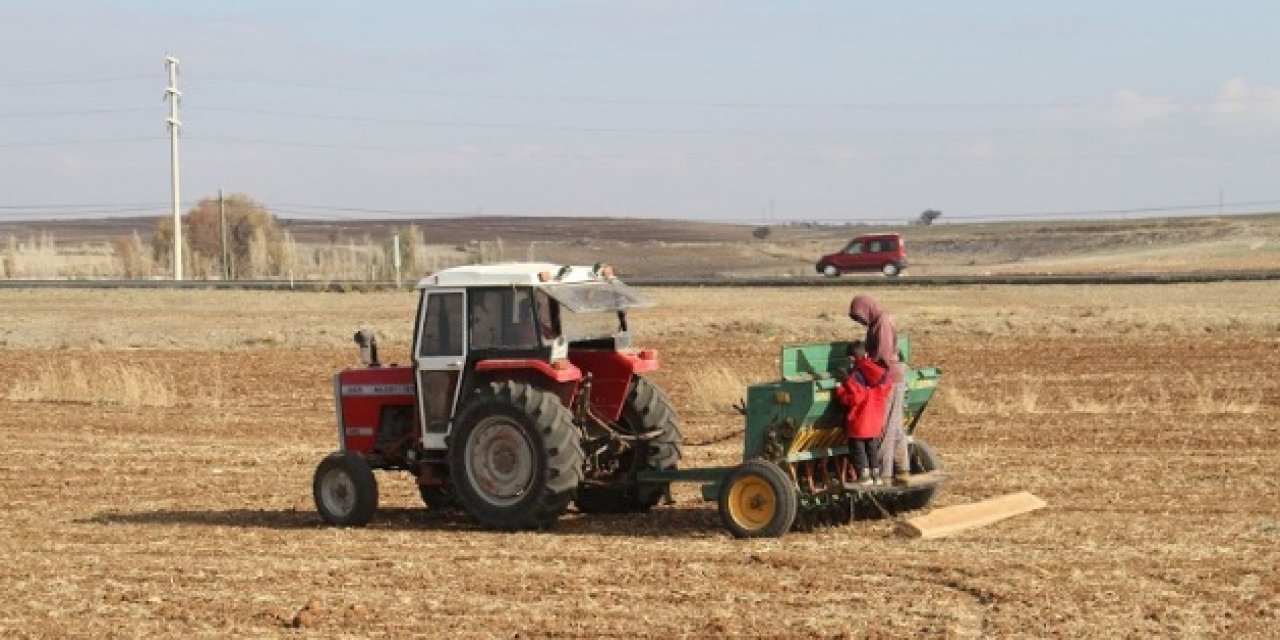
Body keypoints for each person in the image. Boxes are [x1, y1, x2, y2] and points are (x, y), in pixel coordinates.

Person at [849, 294, 910, 485]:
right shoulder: (879, 321)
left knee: (883, 427)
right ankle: (902, 470)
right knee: (896, 426)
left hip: (887, 378)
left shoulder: (881, 322)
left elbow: (882, 355)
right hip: (894, 376)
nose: (861, 321)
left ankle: (884, 474)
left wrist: (864, 367)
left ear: (866, 309)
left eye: (860, 317)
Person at [833, 341, 891, 486]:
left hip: (860, 419)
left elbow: (854, 399)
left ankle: (864, 476)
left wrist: (840, 390)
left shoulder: (856, 375)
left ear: (852, 358)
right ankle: (876, 474)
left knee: (857, 447)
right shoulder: (876, 371)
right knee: (871, 446)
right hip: (875, 418)